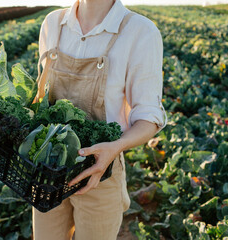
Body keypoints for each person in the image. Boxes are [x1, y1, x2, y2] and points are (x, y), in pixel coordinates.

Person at [33, 0, 167, 239]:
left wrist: (115, 147)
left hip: (100, 172)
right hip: (48, 168)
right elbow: (41, 98)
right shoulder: (53, 23)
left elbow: (149, 116)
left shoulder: (140, 32)